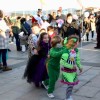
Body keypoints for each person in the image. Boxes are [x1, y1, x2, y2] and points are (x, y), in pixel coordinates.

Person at [60, 35, 83, 100]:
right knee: (70, 84)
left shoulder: (76, 50)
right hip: (67, 71)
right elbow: (62, 62)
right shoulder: (66, 52)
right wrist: (70, 66)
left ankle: (69, 96)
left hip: (73, 71)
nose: (79, 43)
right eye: (78, 42)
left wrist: (80, 67)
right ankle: (67, 97)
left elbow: (77, 60)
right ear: (73, 43)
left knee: (71, 85)